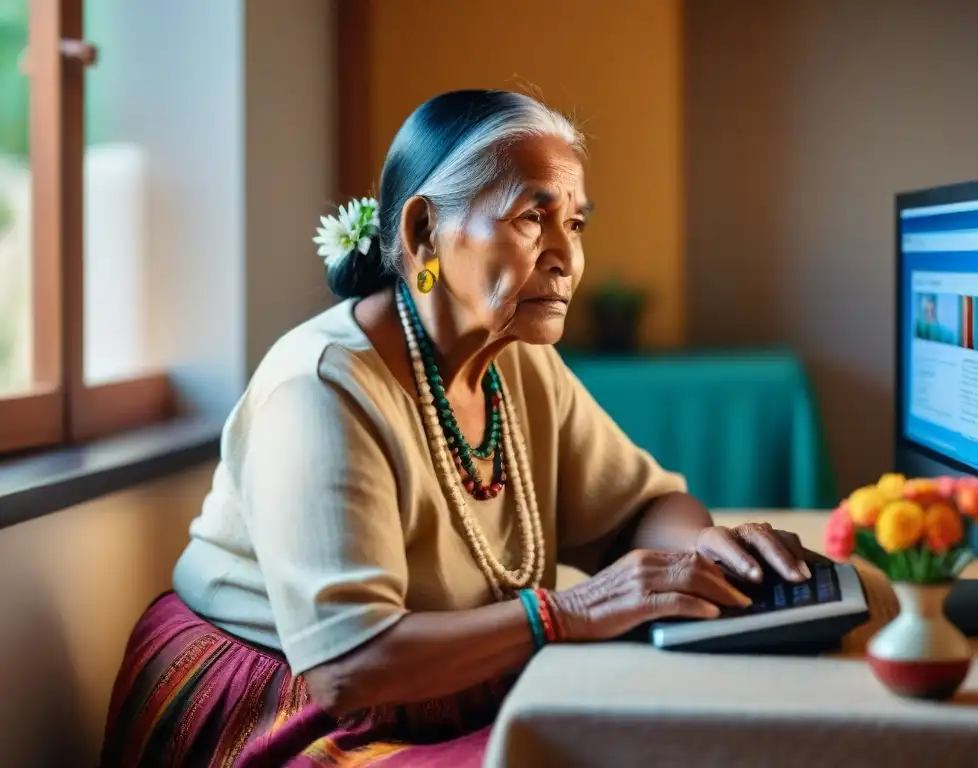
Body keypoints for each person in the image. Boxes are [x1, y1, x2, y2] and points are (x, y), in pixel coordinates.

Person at [100, 89, 815, 767]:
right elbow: (347, 667)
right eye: (533, 219)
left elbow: (643, 506)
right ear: (423, 232)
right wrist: (571, 611)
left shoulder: (516, 363)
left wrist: (697, 556)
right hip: (289, 707)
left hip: (438, 685)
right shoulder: (320, 386)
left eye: (576, 223)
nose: (566, 258)